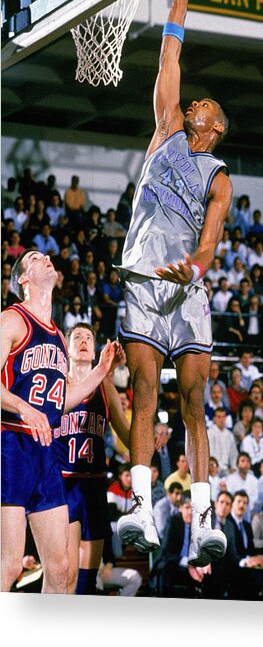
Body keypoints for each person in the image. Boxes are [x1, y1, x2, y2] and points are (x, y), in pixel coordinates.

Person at [115, 0, 231, 567]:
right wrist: (179, 3)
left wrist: (197, 269)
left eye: (202, 108)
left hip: (186, 290)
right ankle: (139, 506)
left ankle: (204, 520)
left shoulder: (219, 177)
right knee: (143, 389)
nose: (192, 104)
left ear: (211, 128)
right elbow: (168, 62)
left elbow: (210, 242)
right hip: (142, 278)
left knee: (193, 401)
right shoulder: (165, 129)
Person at [1, 249, 117, 593]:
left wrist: (99, 372)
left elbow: (59, 402)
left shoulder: (56, 336)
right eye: (35, 258)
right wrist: (24, 408)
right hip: (12, 444)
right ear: (24, 279)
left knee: (60, 568)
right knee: (8, 566)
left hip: (46, 452)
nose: (46, 258)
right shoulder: (12, 320)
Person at [52, 322, 130, 595]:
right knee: (67, 575)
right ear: (68, 349)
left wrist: (150, 432)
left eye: (89, 337)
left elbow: (128, 438)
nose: (83, 341)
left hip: (95, 487)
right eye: (77, 338)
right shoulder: (58, 383)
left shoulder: (107, 389)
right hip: (65, 484)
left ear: (96, 349)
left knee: (87, 580)